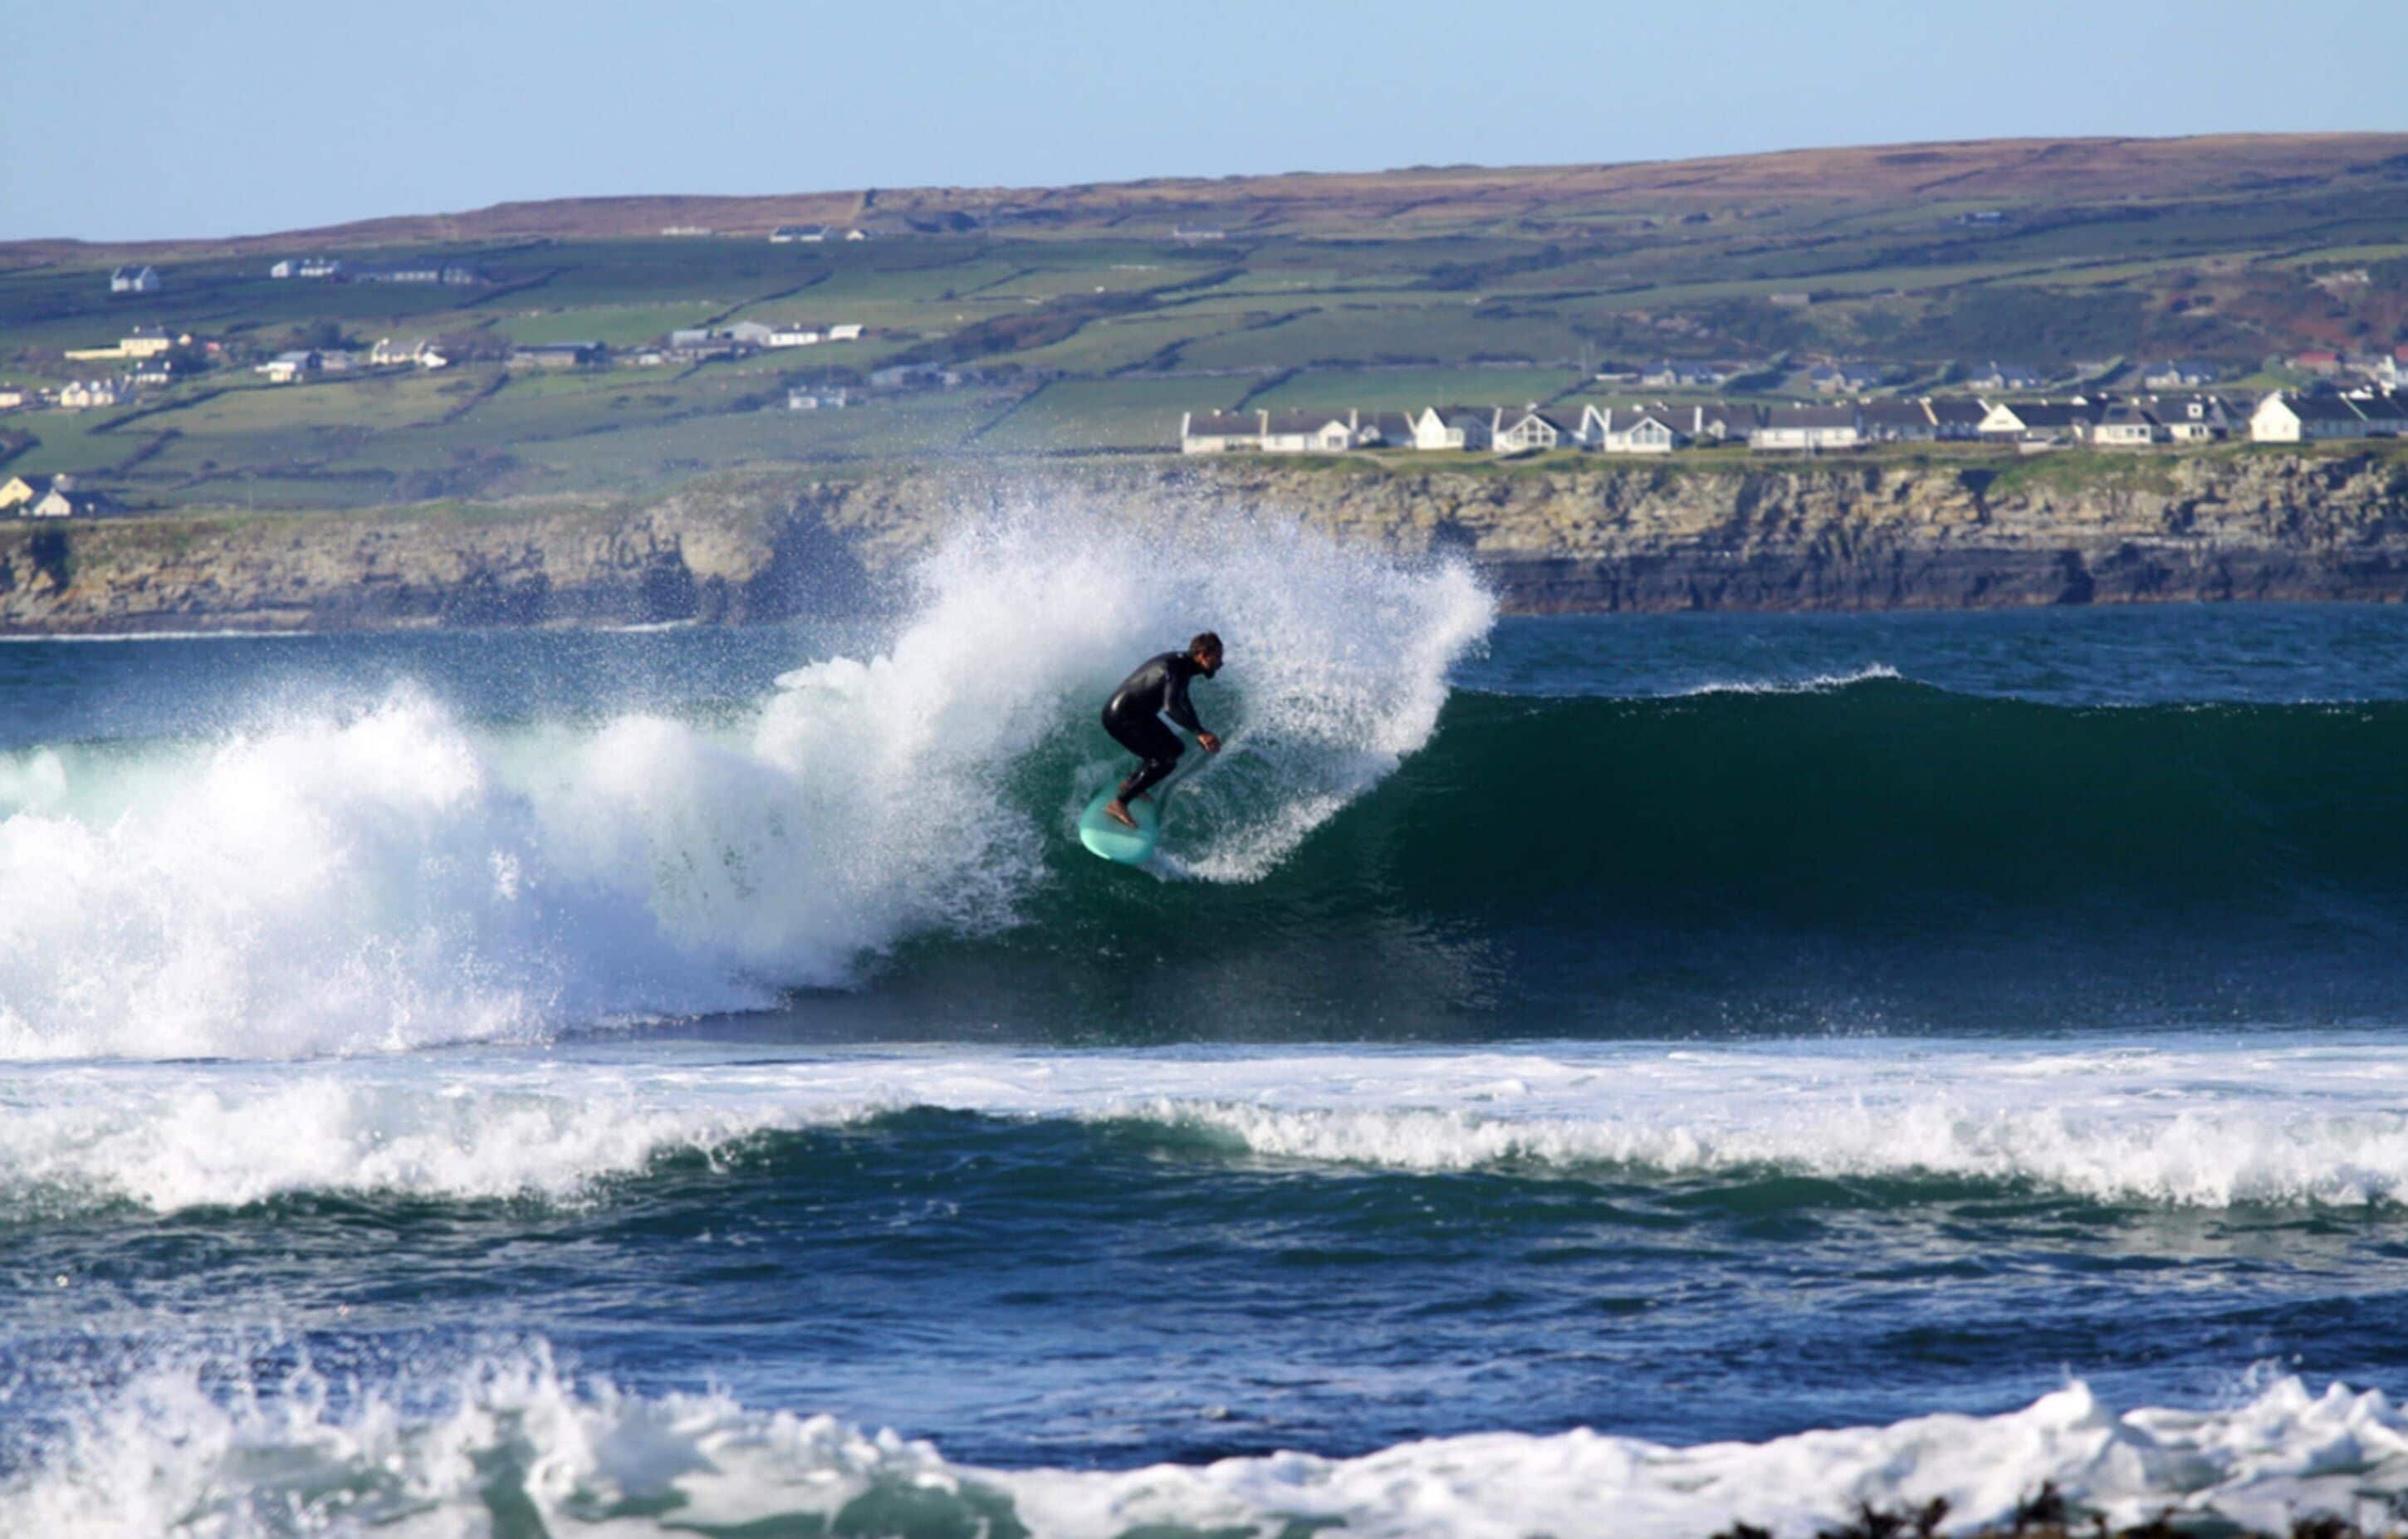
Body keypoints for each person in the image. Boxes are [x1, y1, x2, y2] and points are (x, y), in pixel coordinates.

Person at [1099, 632, 1223, 829]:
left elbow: (1182, 700)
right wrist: (1200, 733)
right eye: (1217, 658)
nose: (1220, 664)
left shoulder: (1183, 665)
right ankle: (1119, 803)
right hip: (1121, 717)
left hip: (1138, 716)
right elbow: (1170, 707)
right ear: (1203, 656)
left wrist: (1200, 730)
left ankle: (1131, 782)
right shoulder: (1176, 668)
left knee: (1176, 748)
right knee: (1164, 761)